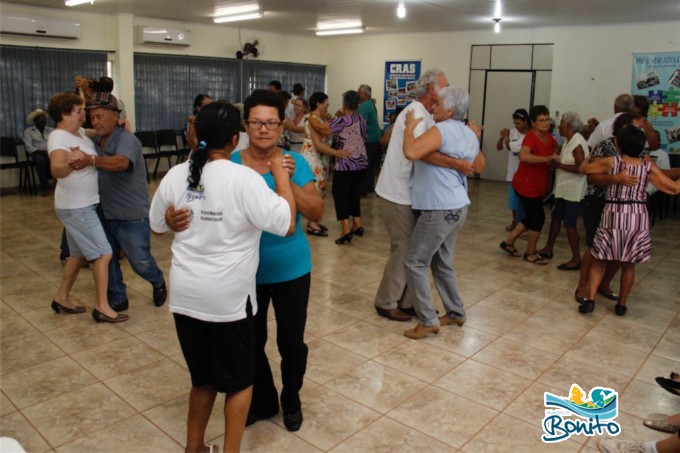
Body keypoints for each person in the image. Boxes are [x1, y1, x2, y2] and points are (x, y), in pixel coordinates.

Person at [166, 90, 324, 433]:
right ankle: (263, 399)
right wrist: (172, 218)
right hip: (242, 275)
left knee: (290, 343)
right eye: (256, 122)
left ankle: (291, 398)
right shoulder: (229, 163)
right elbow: (195, 201)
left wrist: (284, 181)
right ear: (244, 126)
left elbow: (316, 212)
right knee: (250, 343)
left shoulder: (293, 163)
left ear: (281, 125)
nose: (264, 129)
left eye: (271, 123)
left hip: (290, 268)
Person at [149, 102, 297, 453]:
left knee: (202, 381)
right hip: (228, 303)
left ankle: (195, 448)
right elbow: (287, 224)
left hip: (186, 299)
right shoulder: (244, 179)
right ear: (236, 138)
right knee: (239, 383)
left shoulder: (177, 174)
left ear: (196, 134)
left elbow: (156, 226)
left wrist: (172, 221)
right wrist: (281, 176)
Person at [375, 68, 478, 322]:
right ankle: (386, 301)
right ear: (432, 89)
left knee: (416, 251)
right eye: (444, 86)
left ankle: (408, 302)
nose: (447, 90)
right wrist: (459, 164)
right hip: (398, 193)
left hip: (416, 195)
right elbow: (421, 152)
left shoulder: (432, 117)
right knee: (405, 249)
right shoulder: (416, 113)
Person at [69, 92, 167, 312]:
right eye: (92, 118)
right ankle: (118, 296)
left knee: (139, 261)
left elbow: (122, 163)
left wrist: (91, 160)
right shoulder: (94, 141)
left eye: (101, 116)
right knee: (107, 256)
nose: (96, 121)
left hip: (130, 212)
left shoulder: (127, 139)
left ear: (116, 115)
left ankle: (157, 279)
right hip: (103, 210)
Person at [401, 86, 485, 339]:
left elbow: (411, 152)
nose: (432, 107)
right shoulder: (468, 133)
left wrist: (407, 129)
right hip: (459, 206)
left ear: (450, 109)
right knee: (442, 262)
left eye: (437, 103)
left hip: (440, 207)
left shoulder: (443, 129)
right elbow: (479, 165)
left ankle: (427, 320)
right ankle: (456, 312)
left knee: (414, 261)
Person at [578, 126, 680, 316]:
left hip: (613, 213)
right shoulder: (647, 167)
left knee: (600, 260)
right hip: (636, 216)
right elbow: (673, 189)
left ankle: (590, 300)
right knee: (628, 264)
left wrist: (590, 155)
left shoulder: (612, 162)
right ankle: (622, 305)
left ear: (619, 144)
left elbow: (584, 169)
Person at [46, 91, 126, 324]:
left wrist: (119, 121)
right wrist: (73, 162)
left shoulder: (78, 132)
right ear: (64, 114)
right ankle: (102, 307)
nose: (84, 116)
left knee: (76, 255)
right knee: (103, 253)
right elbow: (57, 169)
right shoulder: (58, 138)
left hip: (83, 205)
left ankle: (61, 298)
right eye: (79, 111)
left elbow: (93, 131)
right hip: (76, 207)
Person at [574, 113, 643, 306]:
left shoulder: (638, 148)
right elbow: (590, 176)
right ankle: (582, 287)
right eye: (635, 128)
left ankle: (603, 284)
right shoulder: (606, 146)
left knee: (618, 251)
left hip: (622, 209)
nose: (639, 132)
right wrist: (615, 179)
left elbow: (652, 171)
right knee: (594, 249)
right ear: (623, 128)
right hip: (597, 202)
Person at [499, 105, 560, 264]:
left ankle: (508, 242)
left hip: (537, 184)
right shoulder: (530, 138)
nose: (545, 123)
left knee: (531, 215)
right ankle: (530, 252)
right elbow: (524, 157)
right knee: (538, 218)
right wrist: (546, 159)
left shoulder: (547, 136)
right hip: (526, 184)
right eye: (541, 120)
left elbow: (556, 148)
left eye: (547, 119)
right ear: (533, 123)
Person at [536, 112, 589, 270]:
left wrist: (559, 165)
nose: (558, 126)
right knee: (556, 218)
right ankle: (548, 248)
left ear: (569, 127)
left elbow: (581, 168)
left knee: (570, 224)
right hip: (564, 188)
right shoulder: (568, 141)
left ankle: (576, 258)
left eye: (562, 124)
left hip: (574, 190)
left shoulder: (577, 143)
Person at [300, 91, 347, 236]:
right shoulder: (312, 119)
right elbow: (318, 145)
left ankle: (314, 221)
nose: (328, 104)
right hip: (313, 159)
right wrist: (338, 153)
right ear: (318, 103)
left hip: (322, 159)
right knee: (315, 191)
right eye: (326, 102)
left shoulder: (322, 118)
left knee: (320, 190)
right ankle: (312, 224)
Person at [329, 90, 369, 244]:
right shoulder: (362, 119)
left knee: (339, 195)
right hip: (361, 162)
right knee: (353, 193)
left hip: (345, 163)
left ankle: (346, 230)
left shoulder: (341, 121)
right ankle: (357, 225)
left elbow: (324, 130)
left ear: (344, 103)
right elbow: (364, 138)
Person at [496, 108, 529, 231]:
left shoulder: (530, 135)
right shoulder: (511, 132)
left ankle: (524, 224)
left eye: (519, 123)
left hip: (525, 173)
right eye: (515, 123)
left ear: (526, 121)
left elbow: (511, 147)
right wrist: (501, 137)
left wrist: (506, 138)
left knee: (524, 201)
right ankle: (515, 221)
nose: (516, 126)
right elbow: (499, 148)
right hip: (512, 172)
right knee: (513, 201)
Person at [22, 108, 54, 196]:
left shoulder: (51, 131)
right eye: (41, 118)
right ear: (35, 120)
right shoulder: (28, 132)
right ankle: (45, 188)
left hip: (51, 153)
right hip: (38, 154)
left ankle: (61, 186)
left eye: (44, 118)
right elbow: (28, 147)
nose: (44, 120)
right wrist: (42, 152)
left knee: (60, 157)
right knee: (39, 160)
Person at [357, 84, 381, 195]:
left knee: (365, 164)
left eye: (359, 92)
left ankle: (363, 190)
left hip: (369, 139)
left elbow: (360, 123)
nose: (358, 95)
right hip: (374, 139)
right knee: (370, 164)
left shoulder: (365, 105)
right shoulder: (369, 103)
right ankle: (370, 186)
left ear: (365, 94)